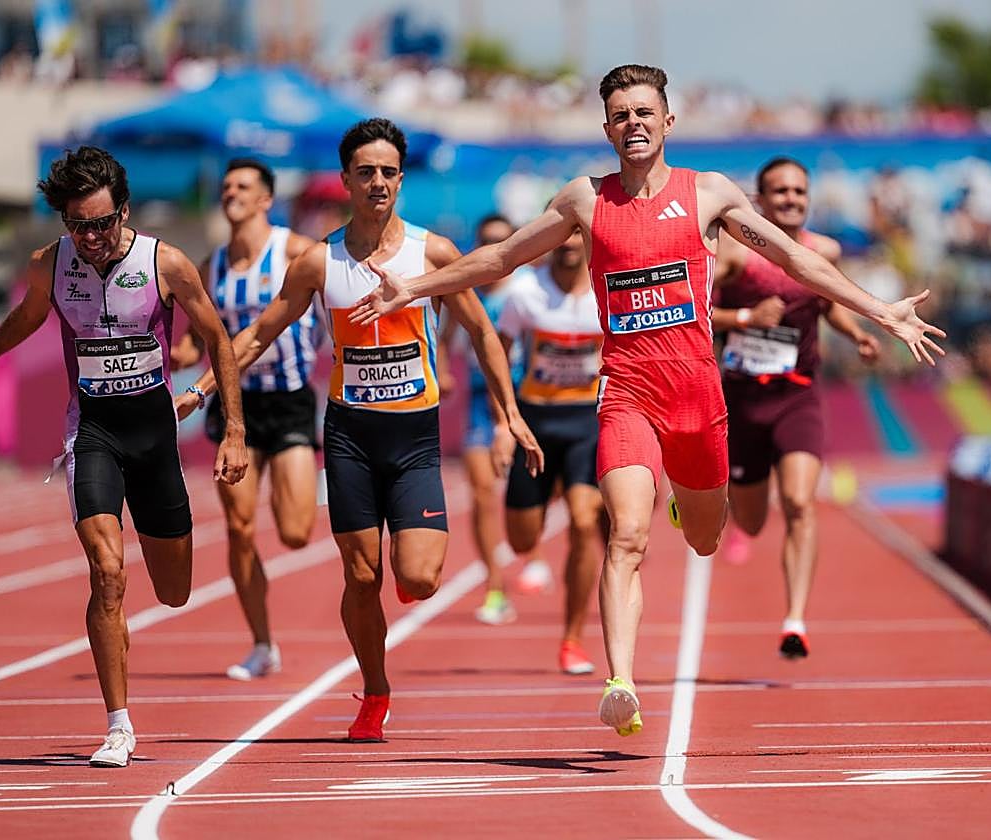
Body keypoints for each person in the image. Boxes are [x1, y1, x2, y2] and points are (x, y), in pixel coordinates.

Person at [349, 65, 945, 737]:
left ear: (667, 122)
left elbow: (796, 259)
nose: (633, 123)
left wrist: (882, 313)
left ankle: (683, 500)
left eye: (644, 113)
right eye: (621, 115)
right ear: (606, 129)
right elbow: (502, 260)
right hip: (626, 395)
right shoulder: (584, 199)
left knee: (703, 536)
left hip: (698, 399)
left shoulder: (708, 194)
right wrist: (414, 288)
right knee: (625, 536)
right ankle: (621, 682)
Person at [176, 118, 543, 742]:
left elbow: (482, 332)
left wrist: (510, 413)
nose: (378, 182)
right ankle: (374, 691)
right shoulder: (321, 261)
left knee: (420, 578)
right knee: (362, 576)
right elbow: (262, 332)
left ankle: (400, 574)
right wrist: (204, 388)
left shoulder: (432, 253)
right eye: (366, 172)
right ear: (346, 179)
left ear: (402, 179)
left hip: (414, 437)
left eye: (389, 172)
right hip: (349, 435)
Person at [0, 146, 248, 766]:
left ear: (124, 213)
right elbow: (26, 320)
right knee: (107, 572)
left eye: (102, 223)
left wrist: (234, 429)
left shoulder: (167, 263)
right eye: (78, 226)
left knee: (173, 591)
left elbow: (218, 340)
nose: (92, 238)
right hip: (94, 433)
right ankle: (118, 725)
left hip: (155, 438)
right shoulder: (49, 266)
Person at [711, 157, 880, 660]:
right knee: (754, 520)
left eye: (799, 191)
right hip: (743, 399)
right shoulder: (735, 255)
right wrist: (744, 317)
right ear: (759, 200)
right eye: (780, 192)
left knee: (801, 503)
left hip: (798, 396)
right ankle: (713, 498)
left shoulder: (823, 250)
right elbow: (695, 308)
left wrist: (856, 334)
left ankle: (795, 619)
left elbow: (826, 302)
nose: (791, 199)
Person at [171, 158, 320, 680]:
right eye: (227, 185)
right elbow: (198, 338)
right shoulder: (211, 265)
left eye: (243, 186)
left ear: (265, 200)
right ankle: (261, 644)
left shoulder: (296, 251)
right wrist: (178, 354)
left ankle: (290, 490)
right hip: (235, 406)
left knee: (298, 531)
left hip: (291, 399)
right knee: (238, 527)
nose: (231, 192)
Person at [496, 226, 604, 674]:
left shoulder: (607, 288)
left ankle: (573, 639)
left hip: (588, 422)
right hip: (535, 423)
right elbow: (496, 353)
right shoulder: (524, 293)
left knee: (583, 523)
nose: (569, 245)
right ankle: (549, 493)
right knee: (522, 540)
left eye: (578, 236)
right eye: (561, 236)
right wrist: (505, 423)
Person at [437, 214, 534, 625]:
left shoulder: (526, 290)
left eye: (502, 240)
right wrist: (441, 372)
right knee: (481, 492)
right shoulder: (467, 292)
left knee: (533, 495)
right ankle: (495, 585)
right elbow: (442, 340)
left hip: (531, 397)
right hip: (481, 399)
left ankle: (535, 551)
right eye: (487, 240)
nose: (494, 246)